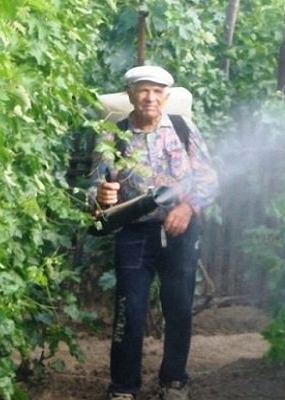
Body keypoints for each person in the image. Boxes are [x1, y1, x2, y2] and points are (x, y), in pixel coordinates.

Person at [92, 65, 219, 400]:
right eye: (143, 90)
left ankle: (174, 381)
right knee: (129, 309)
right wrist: (101, 195)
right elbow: (97, 186)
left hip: (180, 232)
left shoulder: (182, 127)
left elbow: (208, 179)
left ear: (166, 96)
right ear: (130, 95)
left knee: (178, 306)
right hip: (133, 234)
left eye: (157, 91)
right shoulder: (113, 134)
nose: (150, 97)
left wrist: (187, 207)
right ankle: (123, 387)